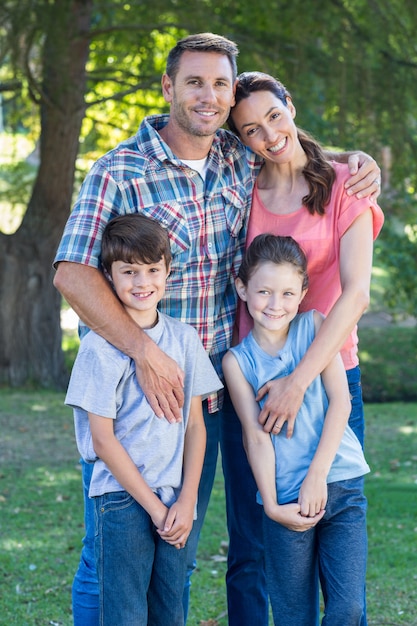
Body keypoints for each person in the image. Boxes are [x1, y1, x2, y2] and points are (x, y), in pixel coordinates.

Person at [53, 32, 381, 626]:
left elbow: (286, 143)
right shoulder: (120, 168)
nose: (209, 95)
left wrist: (356, 161)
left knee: (177, 548)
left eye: (220, 85)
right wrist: (146, 354)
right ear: (168, 87)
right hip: (137, 393)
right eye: (195, 81)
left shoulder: (236, 157)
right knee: (112, 555)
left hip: (214, 393)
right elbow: (71, 275)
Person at [222, 70, 384, 625]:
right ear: (240, 141)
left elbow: (357, 293)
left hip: (332, 376)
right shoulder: (241, 190)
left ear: (290, 105)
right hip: (255, 382)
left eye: (274, 115)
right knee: (255, 541)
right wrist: (278, 384)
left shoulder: (344, 183)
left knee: (335, 531)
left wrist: (299, 382)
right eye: (250, 130)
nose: (269, 134)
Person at [65, 213, 222, 625]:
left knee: (169, 611)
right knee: (126, 614)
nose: (142, 282)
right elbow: (102, 441)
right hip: (121, 499)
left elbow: (195, 427)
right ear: (108, 275)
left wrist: (186, 501)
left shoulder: (185, 339)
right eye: (129, 271)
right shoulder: (99, 349)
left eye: (153, 270)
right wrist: (153, 508)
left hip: (173, 500)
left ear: (169, 271)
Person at [223, 233, 370, 625]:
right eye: (264, 291)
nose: (275, 304)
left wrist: (316, 477)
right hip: (286, 503)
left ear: (303, 291)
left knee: (348, 608)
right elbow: (254, 436)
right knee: (292, 614)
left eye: (288, 293)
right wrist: (271, 505)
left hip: (339, 486)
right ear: (242, 288)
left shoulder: (316, 327)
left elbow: (342, 402)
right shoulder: (237, 363)